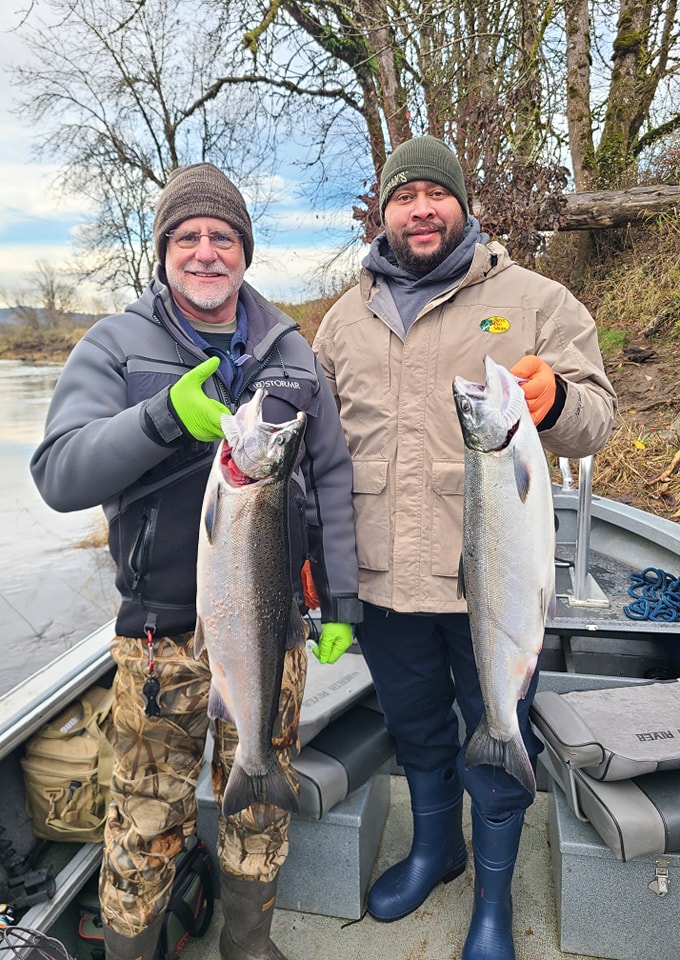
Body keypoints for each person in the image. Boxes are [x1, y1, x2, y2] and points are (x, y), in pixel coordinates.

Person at [31, 162, 362, 960]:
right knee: (145, 820)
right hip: (160, 642)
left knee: (261, 806)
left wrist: (342, 602)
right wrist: (161, 417)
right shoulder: (115, 345)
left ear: (245, 250)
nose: (206, 252)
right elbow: (59, 474)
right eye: (188, 237)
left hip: (272, 630)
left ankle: (249, 945)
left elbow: (330, 481)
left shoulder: (292, 350)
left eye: (223, 237)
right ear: (164, 250)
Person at [312, 136, 617, 960]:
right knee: (417, 733)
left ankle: (492, 896)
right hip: (383, 585)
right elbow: (320, 452)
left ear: (462, 204)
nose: (420, 210)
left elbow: (597, 417)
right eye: (403, 197)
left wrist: (556, 402)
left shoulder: (535, 301)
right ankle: (436, 851)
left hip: (494, 589)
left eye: (435, 194)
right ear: (383, 212)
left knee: (498, 736)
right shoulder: (342, 321)